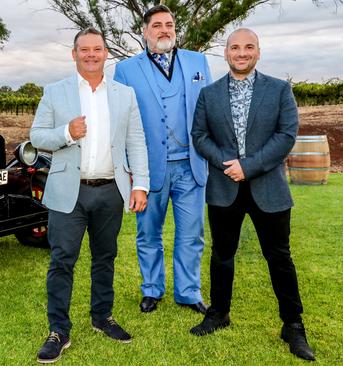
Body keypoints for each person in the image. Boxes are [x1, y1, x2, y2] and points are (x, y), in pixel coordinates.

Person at [189, 28, 315, 361]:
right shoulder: (209, 94)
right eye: (235, 47)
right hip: (224, 188)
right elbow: (199, 136)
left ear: (258, 52)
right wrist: (226, 164)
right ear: (226, 53)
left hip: (268, 189)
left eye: (248, 47)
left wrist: (249, 166)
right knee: (222, 256)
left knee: (279, 257)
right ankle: (219, 312)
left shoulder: (279, 90)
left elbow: (286, 135)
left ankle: (293, 325)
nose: (241, 53)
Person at [30, 28, 149, 363]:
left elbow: (136, 141)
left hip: (110, 190)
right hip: (69, 192)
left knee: (105, 257)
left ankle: (102, 317)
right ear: (74, 54)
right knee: (62, 260)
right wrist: (67, 132)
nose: (91, 55)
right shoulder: (56, 92)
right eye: (85, 50)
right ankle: (58, 330)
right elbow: (37, 136)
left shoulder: (124, 94)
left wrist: (140, 184)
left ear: (106, 53)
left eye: (97, 49)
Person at [113, 4, 211, 314]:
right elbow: (121, 123)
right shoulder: (126, 69)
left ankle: (188, 291)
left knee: (191, 234)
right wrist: (129, 169)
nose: (164, 30)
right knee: (148, 232)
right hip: (148, 168)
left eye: (169, 24)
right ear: (144, 31)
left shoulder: (198, 62)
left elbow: (208, 110)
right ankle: (152, 289)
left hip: (191, 166)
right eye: (157, 25)